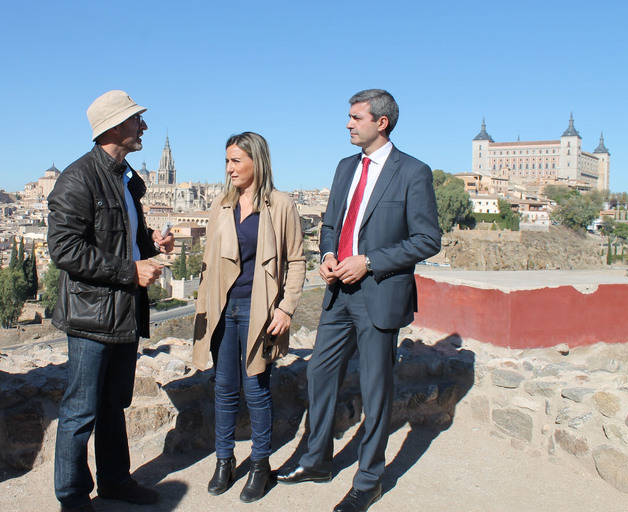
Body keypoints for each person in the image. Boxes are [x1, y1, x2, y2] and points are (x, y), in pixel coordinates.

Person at [277, 89, 441, 512]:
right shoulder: (345, 167)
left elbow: (427, 239)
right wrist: (329, 254)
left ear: (380, 122)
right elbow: (331, 223)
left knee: (376, 389)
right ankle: (316, 461)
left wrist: (368, 262)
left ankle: (369, 480)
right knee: (319, 375)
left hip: (380, 294)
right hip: (338, 293)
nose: (348, 124)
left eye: (355, 117)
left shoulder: (413, 172)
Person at [47, 90, 174, 512]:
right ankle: (72, 497)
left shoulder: (125, 178)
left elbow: (124, 236)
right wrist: (129, 271)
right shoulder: (78, 178)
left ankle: (116, 481)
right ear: (116, 126)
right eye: (138, 120)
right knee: (81, 410)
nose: (144, 127)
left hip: (121, 310)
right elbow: (64, 249)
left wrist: (150, 242)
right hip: (91, 314)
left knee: (114, 403)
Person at [192, 131, 306, 502]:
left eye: (236, 160)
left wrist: (287, 308)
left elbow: (297, 261)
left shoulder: (281, 204)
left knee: (256, 388)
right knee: (224, 389)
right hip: (225, 310)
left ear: (257, 161)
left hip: (260, 310)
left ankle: (260, 466)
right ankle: (224, 461)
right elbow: (209, 264)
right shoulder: (221, 205)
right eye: (227, 161)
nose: (229, 168)